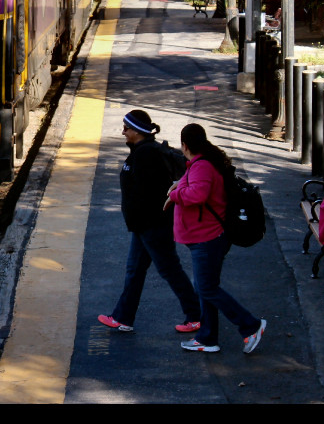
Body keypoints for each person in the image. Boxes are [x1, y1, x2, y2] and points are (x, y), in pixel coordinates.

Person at [164, 123, 266, 353]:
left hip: (207, 238)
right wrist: (180, 184)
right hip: (205, 237)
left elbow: (198, 194)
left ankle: (250, 325)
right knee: (204, 287)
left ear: (185, 145)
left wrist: (175, 193)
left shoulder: (202, 166)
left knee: (208, 289)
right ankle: (207, 338)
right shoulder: (204, 163)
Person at [98, 111, 201, 334]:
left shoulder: (146, 155)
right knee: (134, 271)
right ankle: (123, 317)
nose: (123, 131)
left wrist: (143, 221)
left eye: (126, 127)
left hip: (152, 226)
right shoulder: (141, 152)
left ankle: (196, 315)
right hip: (143, 226)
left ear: (137, 131)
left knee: (169, 269)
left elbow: (152, 193)